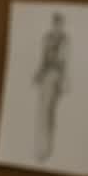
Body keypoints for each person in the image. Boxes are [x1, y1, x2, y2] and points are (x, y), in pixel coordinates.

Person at [32, 12, 69, 162]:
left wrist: (63, 81)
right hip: (45, 78)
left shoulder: (65, 40)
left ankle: (47, 149)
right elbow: (42, 59)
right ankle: (40, 149)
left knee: (50, 114)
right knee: (42, 112)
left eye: (59, 23)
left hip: (55, 78)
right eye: (55, 23)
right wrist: (38, 74)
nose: (57, 26)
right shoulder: (47, 38)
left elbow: (64, 62)